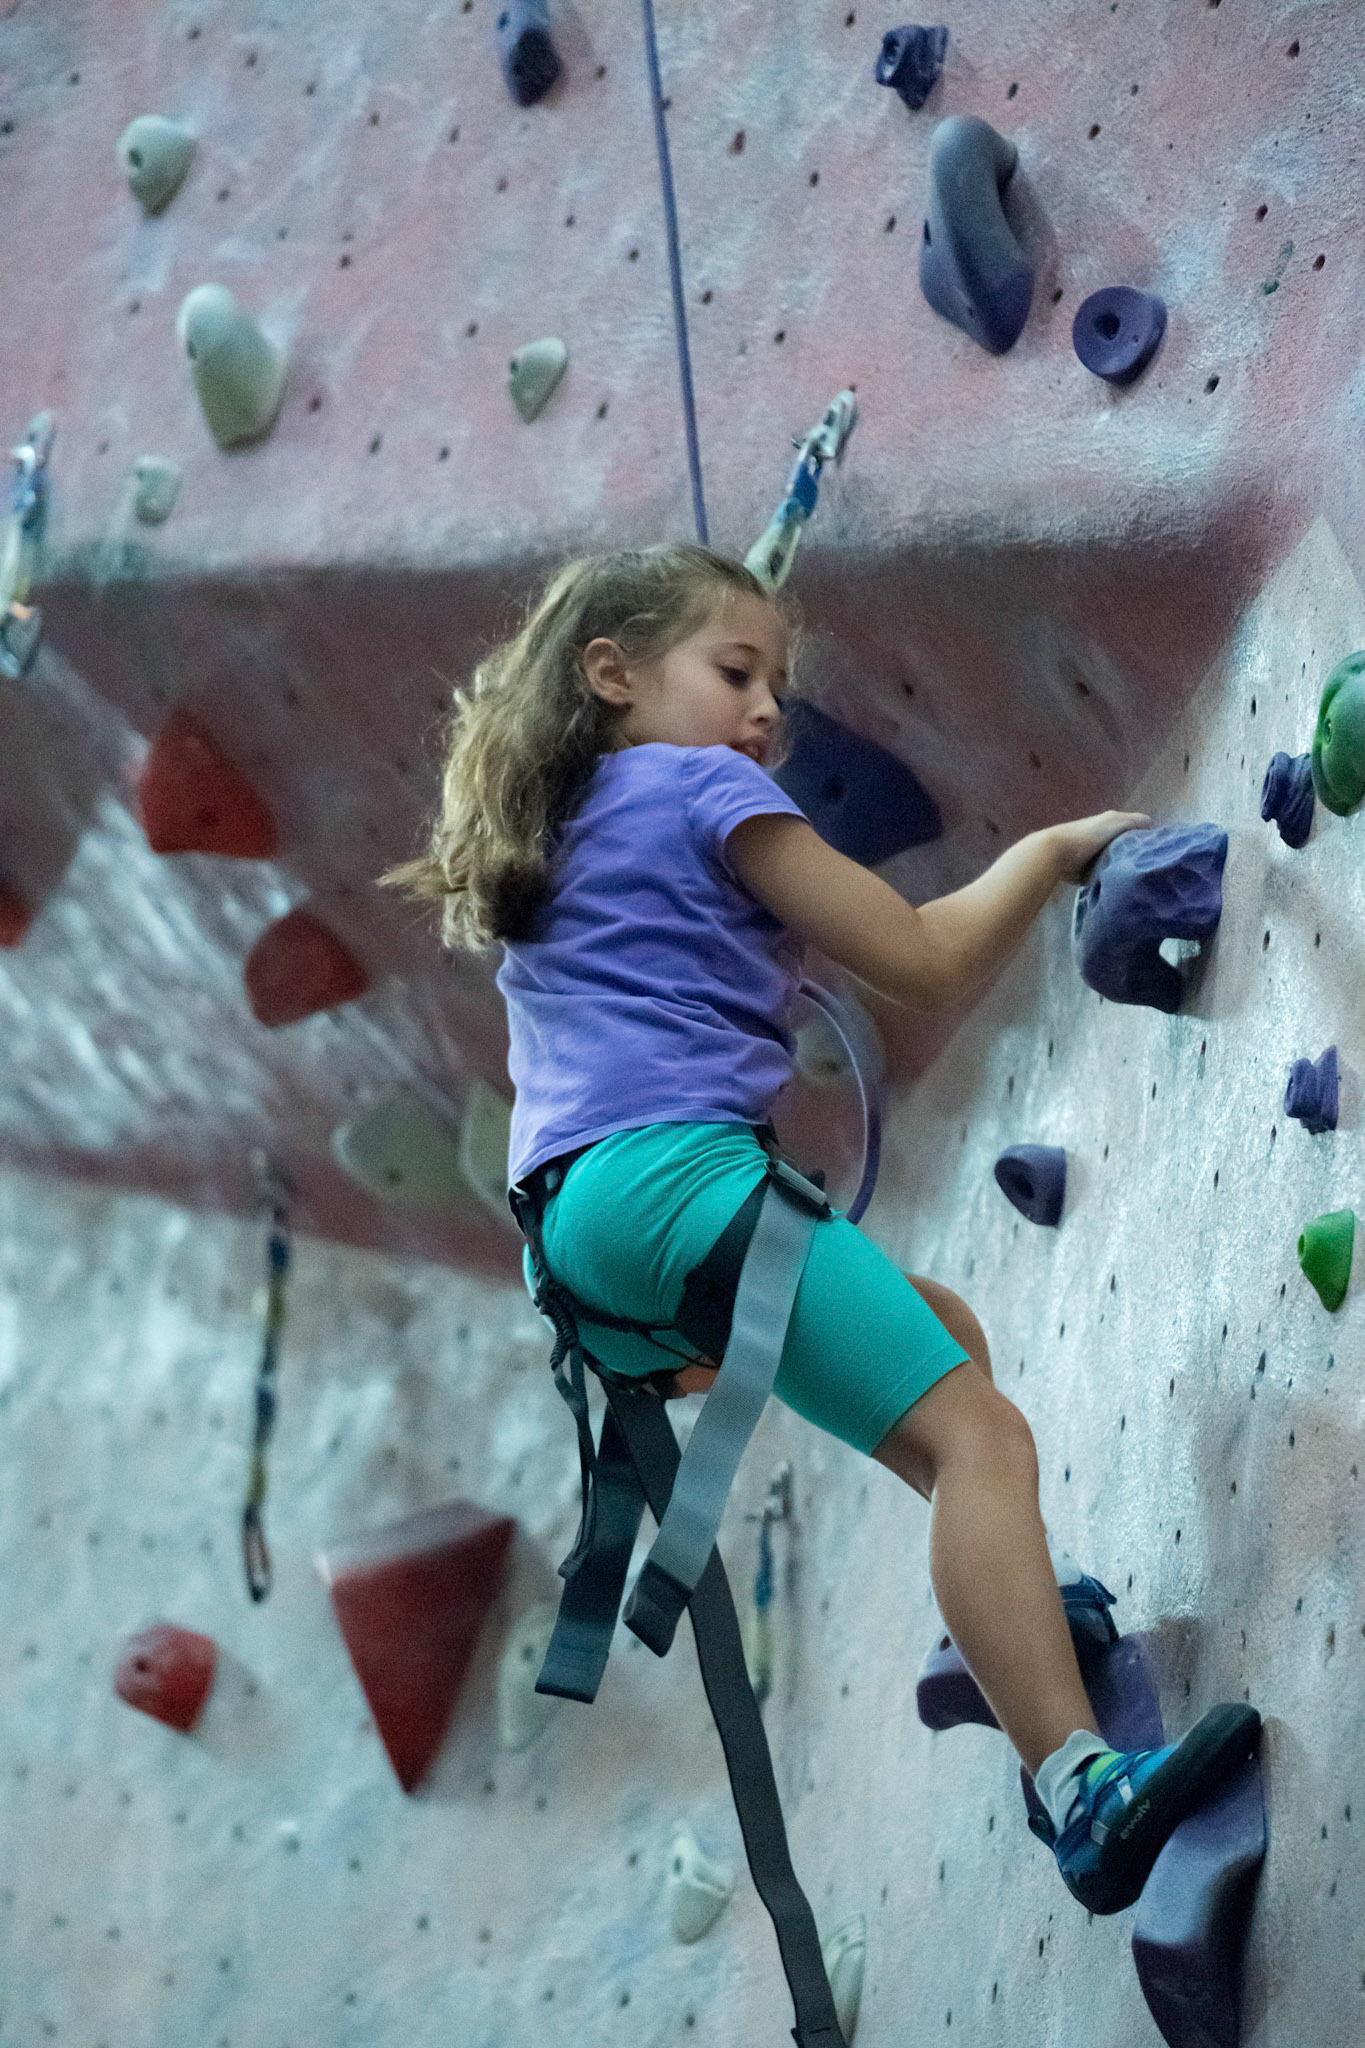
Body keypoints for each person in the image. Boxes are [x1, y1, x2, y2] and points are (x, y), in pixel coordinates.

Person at [385, 541, 1259, 1916]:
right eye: (734, 670)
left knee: (937, 1344)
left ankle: (1012, 1620)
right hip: (675, 1183)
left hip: (581, 1251)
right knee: (979, 1440)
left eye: (776, 690)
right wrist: (1050, 851)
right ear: (612, 673)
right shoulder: (699, 787)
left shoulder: (555, 829)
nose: (764, 712)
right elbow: (924, 959)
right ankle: (1080, 1787)